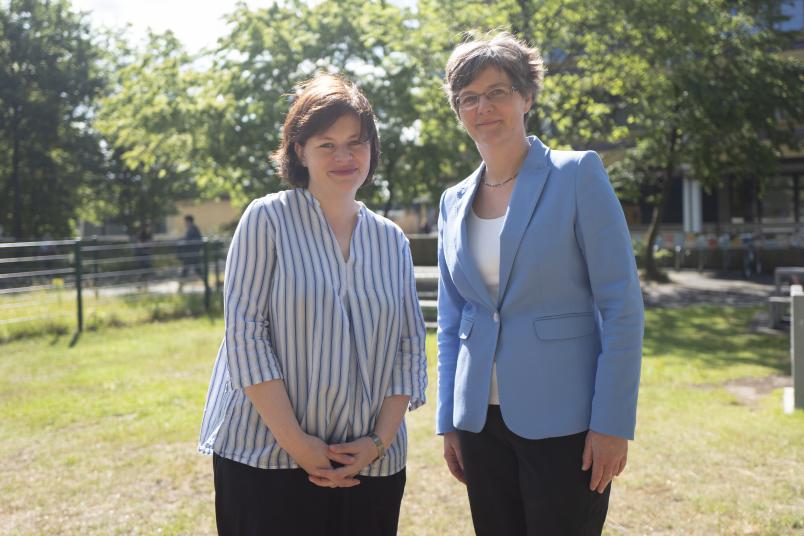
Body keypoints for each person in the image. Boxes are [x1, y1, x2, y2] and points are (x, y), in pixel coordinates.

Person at [198, 73, 427, 536]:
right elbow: (246, 335)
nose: (344, 157)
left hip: (370, 464)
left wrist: (377, 443)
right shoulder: (267, 219)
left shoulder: (391, 240)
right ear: (299, 150)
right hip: (266, 458)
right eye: (327, 144)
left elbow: (409, 348)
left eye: (356, 142)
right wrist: (298, 444)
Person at [436, 32, 644, 535]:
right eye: (469, 98)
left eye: (498, 92)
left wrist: (613, 422)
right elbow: (452, 320)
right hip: (480, 424)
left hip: (566, 420)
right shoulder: (452, 201)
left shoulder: (578, 175)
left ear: (526, 96)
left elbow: (622, 306)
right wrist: (449, 419)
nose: (483, 107)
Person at [178, 214, 203, 283]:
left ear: (188, 221)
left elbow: (188, 240)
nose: (184, 223)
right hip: (193, 253)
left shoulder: (192, 229)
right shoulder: (194, 228)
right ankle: (207, 286)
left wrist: (182, 242)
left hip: (191, 254)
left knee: (185, 270)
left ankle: (180, 286)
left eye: (185, 221)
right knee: (198, 270)